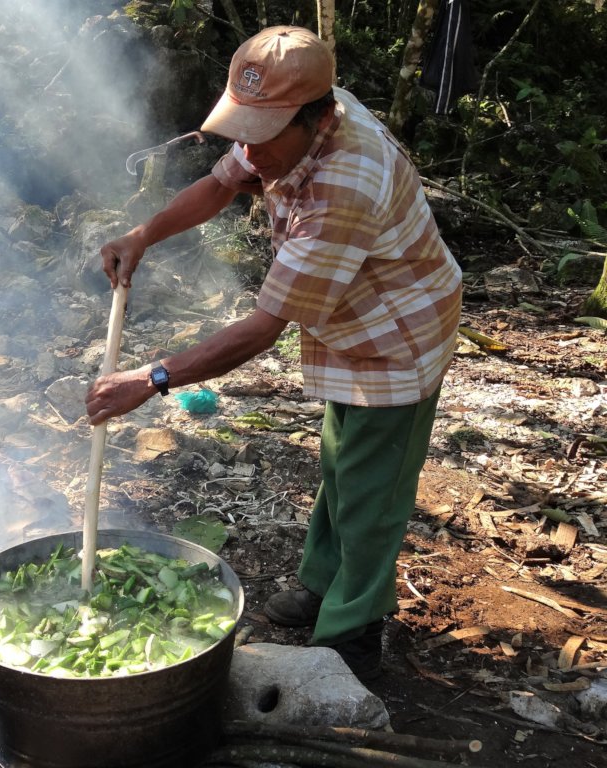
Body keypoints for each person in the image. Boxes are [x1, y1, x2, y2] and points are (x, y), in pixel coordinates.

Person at [85, 26, 462, 681]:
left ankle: (351, 635)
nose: (249, 151)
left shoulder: (344, 184)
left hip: (398, 336)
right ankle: (321, 583)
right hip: (350, 321)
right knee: (341, 462)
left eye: (261, 136)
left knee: (373, 490)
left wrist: (152, 378)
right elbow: (218, 185)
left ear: (315, 120)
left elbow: (263, 329)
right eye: (244, 130)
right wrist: (143, 235)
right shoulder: (280, 127)